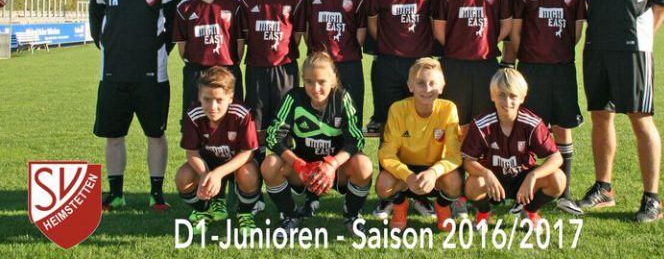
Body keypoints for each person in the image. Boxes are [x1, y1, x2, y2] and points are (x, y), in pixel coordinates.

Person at [577, 0, 664, 223]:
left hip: (633, 48)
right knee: (600, 116)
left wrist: (645, 37)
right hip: (597, 46)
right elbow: (587, 0)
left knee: (639, 118)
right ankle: (604, 188)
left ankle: (652, 198)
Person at [89, 0, 180, 211]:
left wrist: (156, 52)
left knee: (156, 134)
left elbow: (174, 29)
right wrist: (112, 49)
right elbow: (96, 26)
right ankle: (116, 194)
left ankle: (157, 194)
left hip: (152, 76)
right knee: (114, 136)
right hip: (113, 75)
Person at [507, 0, 586, 215]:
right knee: (529, 129)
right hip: (531, 70)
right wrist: (528, 57)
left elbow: (577, 31)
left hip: (562, 69)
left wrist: (557, 52)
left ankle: (565, 193)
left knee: (562, 128)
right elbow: (516, 32)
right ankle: (523, 196)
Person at [365, 0, 437, 221]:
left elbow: (433, 25)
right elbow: (373, 25)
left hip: (419, 65)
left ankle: (419, 194)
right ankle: (391, 196)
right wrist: (391, 48)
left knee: (422, 129)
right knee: (388, 129)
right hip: (388, 65)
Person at [261, 51, 371, 232]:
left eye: (322, 82)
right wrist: (298, 164)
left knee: (363, 164)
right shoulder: (294, 98)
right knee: (270, 165)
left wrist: (331, 165)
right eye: (309, 82)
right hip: (303, 170)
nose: (315, 88)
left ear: (333, 80)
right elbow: (273, 136)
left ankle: (351, 214)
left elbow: (355, 140)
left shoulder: (341, 99)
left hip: (335, 170)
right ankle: (290, 214)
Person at [462, 68, 565, 232]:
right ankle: (484, 213)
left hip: (523, 178)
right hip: (493, 179)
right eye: (501, 95)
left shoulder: (532, 123)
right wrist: (486, 173)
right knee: (472, 184)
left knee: (558, 179)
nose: (507, 101)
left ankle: (530, 212)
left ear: (522, 97)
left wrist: (533, 175)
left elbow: (556, 157)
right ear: (492, 96)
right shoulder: (482, 124)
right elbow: (468, 161)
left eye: (513, 96)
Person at [433, 0, 512, 128]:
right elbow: (439, 30)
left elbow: (506, 26)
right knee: (455, 124)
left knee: (485, 124)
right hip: (454, 65)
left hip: (486, 65)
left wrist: (485, 43)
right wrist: (460, 46)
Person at [376, 58, 462, 232]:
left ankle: (442, 206)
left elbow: (454, 155)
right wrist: (407, 175)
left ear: (442, 86)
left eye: (432, 83)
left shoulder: (448, 109)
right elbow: (386, 153)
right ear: (410, 86)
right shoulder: (398, 109)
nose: (427, 89)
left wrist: (434, 172)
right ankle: (400, 205)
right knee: (383, 184)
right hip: (406, 172)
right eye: (421, 83)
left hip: (434, 171)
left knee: (454, 182)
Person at [176, 67, 260, 234]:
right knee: (183, 177)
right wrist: (204, 174)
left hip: (236, 164)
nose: (213, 106)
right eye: (207, 99)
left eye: (219, 100)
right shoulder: (193, 114)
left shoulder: (242, 113)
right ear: (199, 96)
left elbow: (248, 152)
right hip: (207, 164)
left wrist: (218, 174)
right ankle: (204, 210)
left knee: (249, 174)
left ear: (230, 98)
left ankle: (245, 213)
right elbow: (192, 152)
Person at [240, 0, 306, 130]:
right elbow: (246, 35)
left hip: (285, 68)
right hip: (256, 68)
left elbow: (297, 36)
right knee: (256, 123)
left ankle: (283, 150)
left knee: (284, 124)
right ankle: (258, 150)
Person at [173, 0, 245, 119]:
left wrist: (230, 63)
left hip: (227, 70)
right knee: (194, 122)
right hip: (196, 73)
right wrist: (197, 63)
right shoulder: (185, 7)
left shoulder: (234, 4)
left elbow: (240, 43)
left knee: (232, 121)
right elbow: (182, 47)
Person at [301, 0, 367, 114]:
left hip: (349, 65)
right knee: (318, 119)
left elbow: (360, 36)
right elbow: (306, 32)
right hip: (317, 66)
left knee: (351, 118)